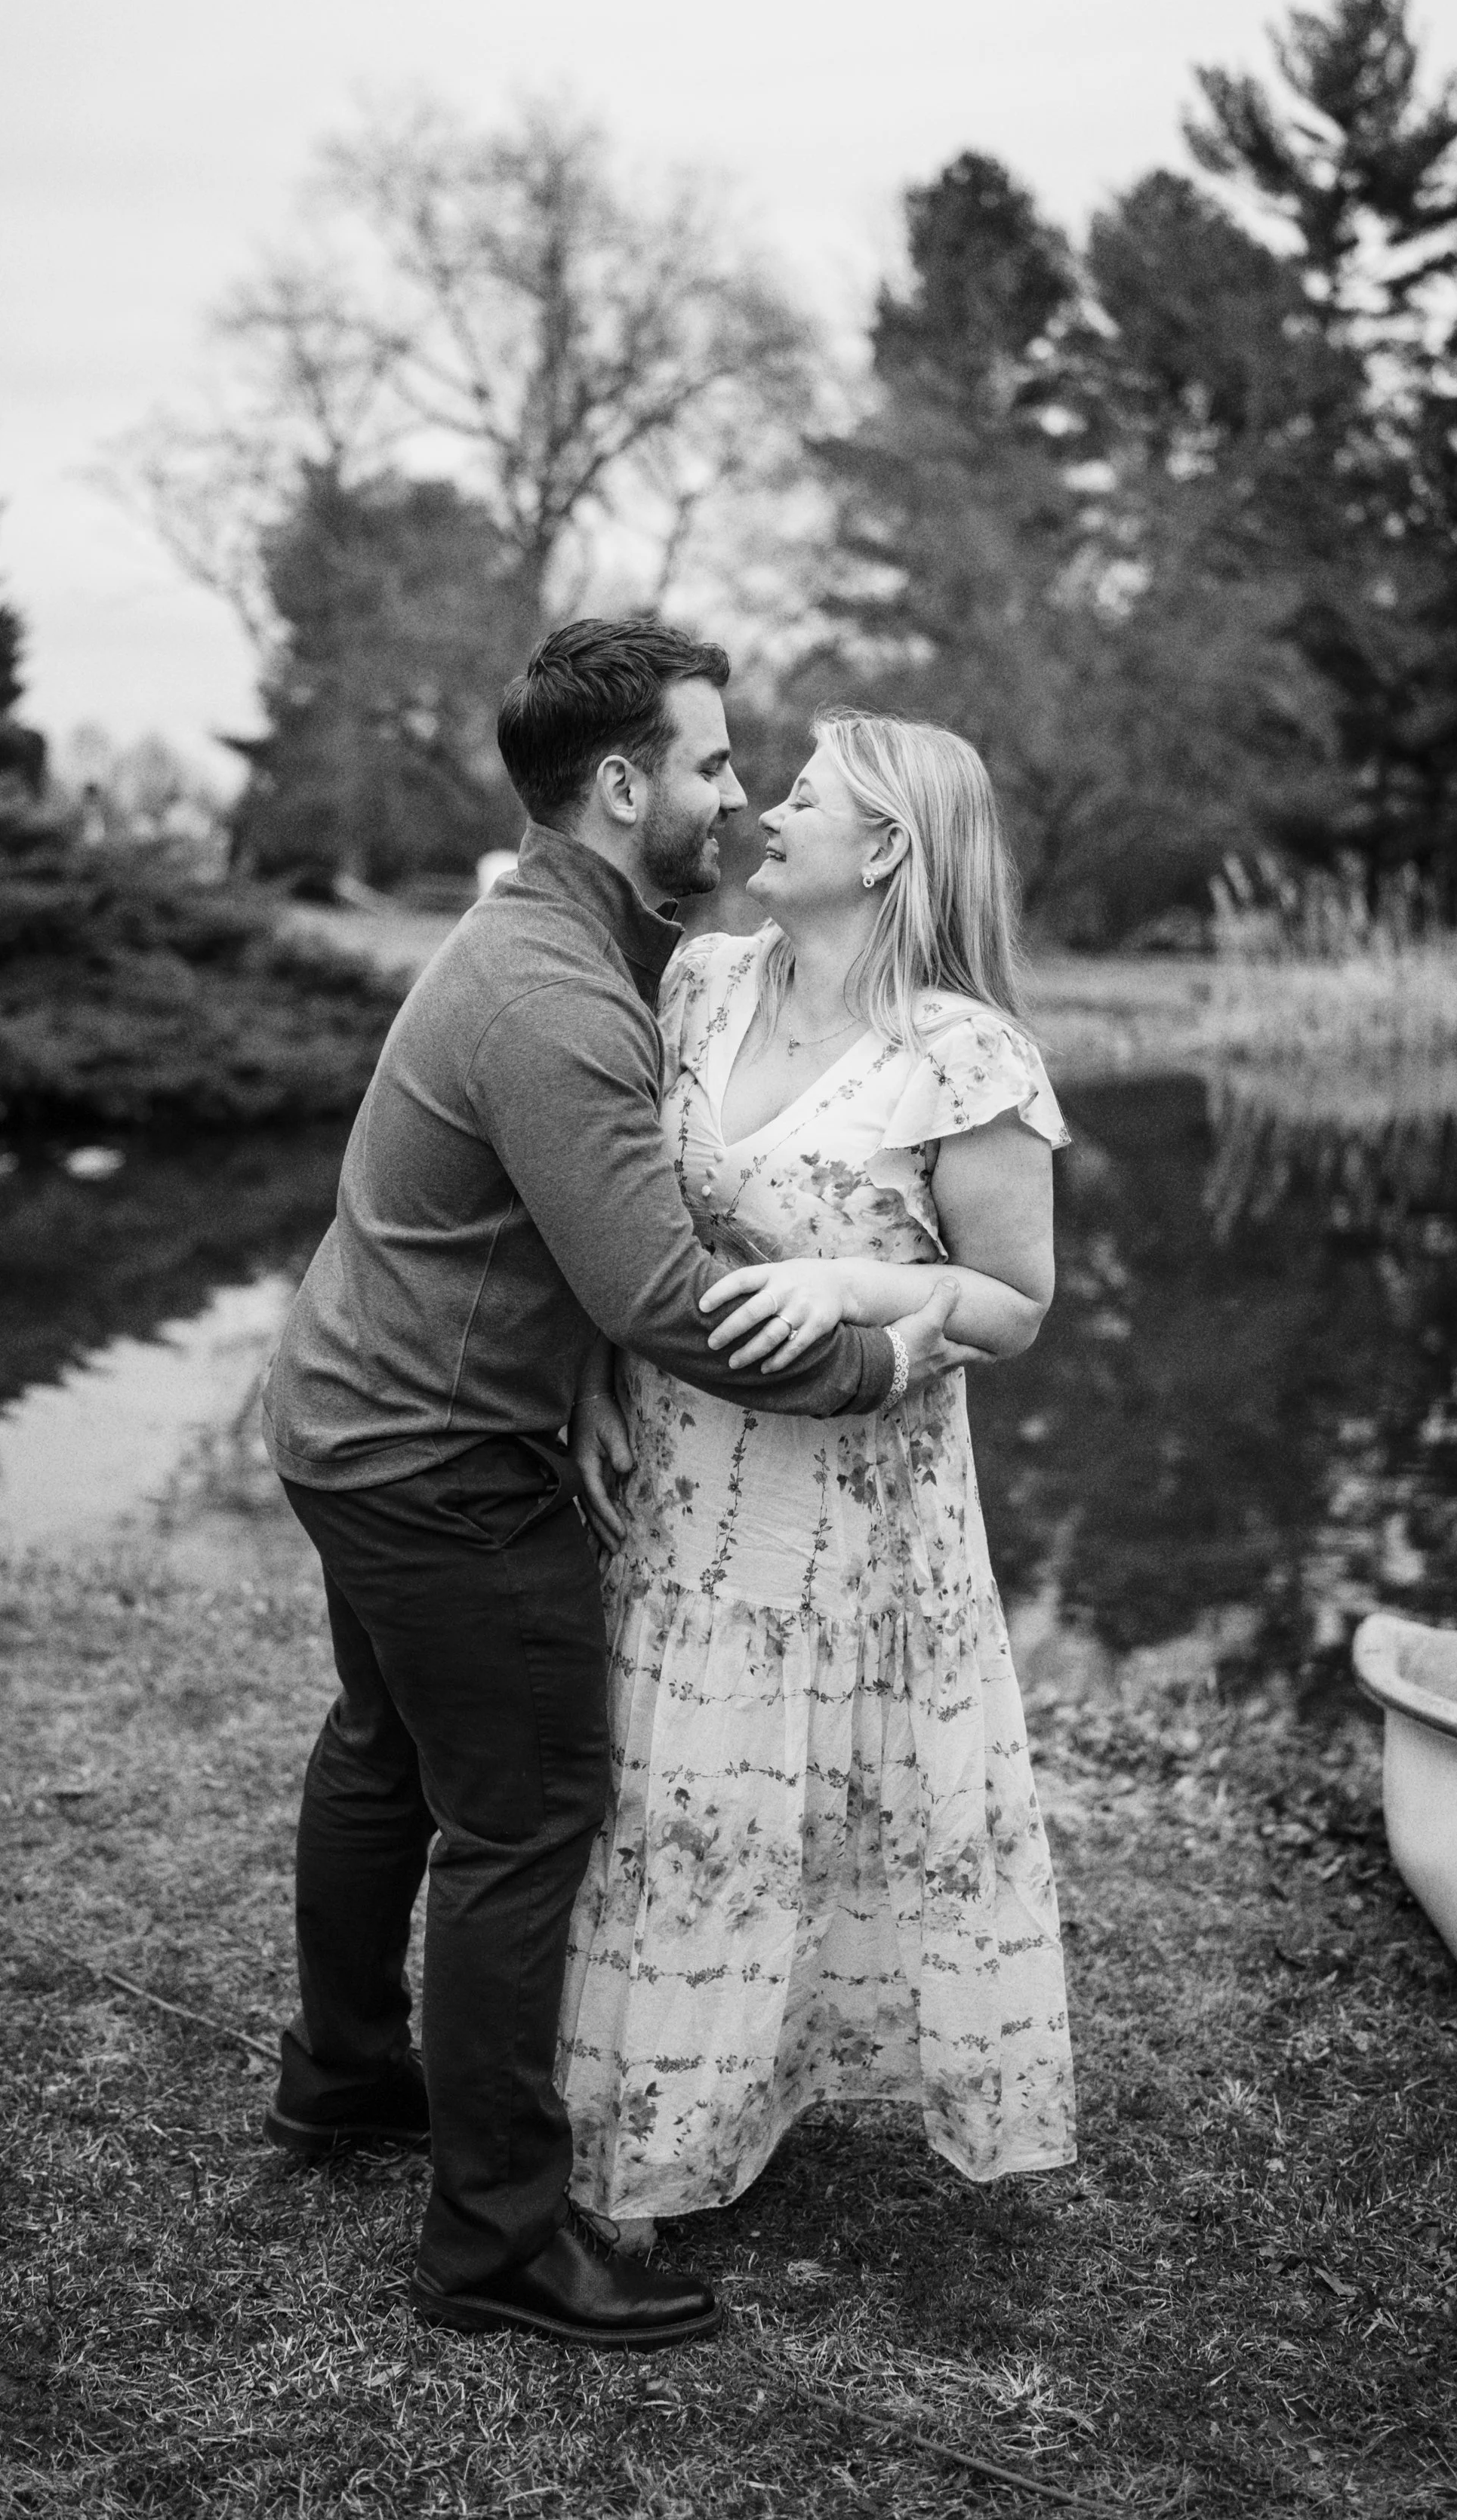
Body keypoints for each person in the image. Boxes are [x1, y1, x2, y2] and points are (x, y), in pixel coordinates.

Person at [258, 623, 976, 2352]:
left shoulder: (561, 943)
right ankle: (496, 2245)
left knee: (382, 1747)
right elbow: (659, 1296)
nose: (736, 796)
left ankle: (348, 2076)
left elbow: (588, 1273)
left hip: (353, 1413)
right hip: (431, 1454)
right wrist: (885, 1361)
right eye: (716, 764)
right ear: (623, 783)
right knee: (520, 1816)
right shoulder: (556, 996)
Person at [559, 709, 1075, 2242]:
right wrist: (596, 1370)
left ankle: (751, 2088)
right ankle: (636, 2130)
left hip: (856, 1507)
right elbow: (627, 1217)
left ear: (887, 850)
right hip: (677, 1468)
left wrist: (859, 1288)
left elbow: (1016, 1305)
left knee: (788, 1799)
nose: (761, 815)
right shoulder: (705, 979)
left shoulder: (962, 1058)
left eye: (801, 798)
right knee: (671, 1799)